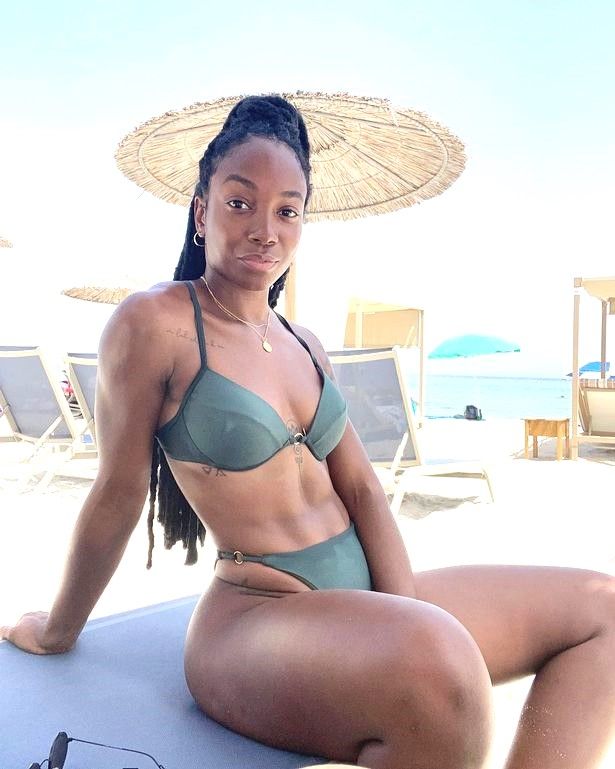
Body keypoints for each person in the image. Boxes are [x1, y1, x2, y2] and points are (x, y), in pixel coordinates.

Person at [2, 95, 614, 769]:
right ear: (201, 213)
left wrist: (402, 613)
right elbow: (118, 493)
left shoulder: (304, 342)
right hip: (256, 617)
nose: (265, 229)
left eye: (287, 210)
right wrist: (57, 630)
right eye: (240, 203)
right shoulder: (155, 323)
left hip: (363, 592)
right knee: (442, 678)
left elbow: (362, 490)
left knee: (602, 612)